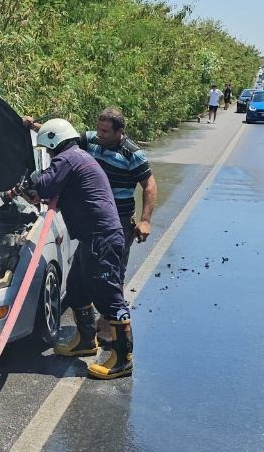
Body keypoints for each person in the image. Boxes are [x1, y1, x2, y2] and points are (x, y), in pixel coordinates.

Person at [9, 118, 132, 380]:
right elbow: (53, 192)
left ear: (54, 141)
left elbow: (44, 184)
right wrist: (34, 193)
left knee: (110, 299)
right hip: (92, 239)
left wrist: (28, 184)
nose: (49, 154)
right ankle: (86, 341)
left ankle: (123, 359)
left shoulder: (67, 159)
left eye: (48, 149)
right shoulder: (78, 157)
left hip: (102, 239)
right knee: (76, 289)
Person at [23, 108, 156, 275]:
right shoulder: (91, 140)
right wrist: (34, 125)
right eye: (98, 128)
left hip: (119, 219)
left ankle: (112, 298)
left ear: (120, 131)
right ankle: (84, 297)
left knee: (112, 271)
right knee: (86, 267)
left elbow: (150, 185)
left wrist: (145, 221)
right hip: (92, 217)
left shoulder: (133, 154)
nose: (99, 134)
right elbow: (61, 138)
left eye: (105, 131)